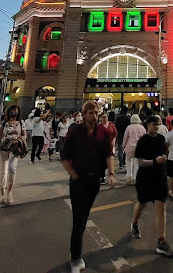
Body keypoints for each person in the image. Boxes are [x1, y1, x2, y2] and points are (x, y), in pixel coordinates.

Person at [61, 101, 115, 273]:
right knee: (79, 219)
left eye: (96, 112)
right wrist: (75, 176)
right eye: (90, 113)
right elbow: (65, 157)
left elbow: (108, 154)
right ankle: (75, 257)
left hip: (95, 181)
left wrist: (111, 174)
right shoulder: (75, 132)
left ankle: (75, 253)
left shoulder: (103, 132)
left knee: (83, 216)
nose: (94, 115)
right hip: (79, 181)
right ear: (83, 115)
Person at [131, 115, 173, 257]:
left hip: (160, 177)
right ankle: (135, 223)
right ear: (148, 125)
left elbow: (164, 155)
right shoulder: (143, 141)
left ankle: (161, 241)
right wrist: (155, 161)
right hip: (145, 178)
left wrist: (164, 163)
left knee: (161, 205)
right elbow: (140, 162)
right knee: (142, 203)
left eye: (159, 124)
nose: (157, 127)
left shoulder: (162, 139)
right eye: (155, 124)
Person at [0, 104, 26, 205]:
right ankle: (2, 193)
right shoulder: (4, 123)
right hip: (4, 149)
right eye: (12, 110)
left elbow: (24, 135)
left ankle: (10, 191)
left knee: (12, 169)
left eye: (16, 110)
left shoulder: (21, 123)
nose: (14, 112)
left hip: (15, 149)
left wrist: (18, 141)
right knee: (3, 171)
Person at [123, 114, 146, 185]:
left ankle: (129, 177)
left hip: (130, 147)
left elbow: (125, 138)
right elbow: (144, 138)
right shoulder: (142, 128)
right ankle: (136, 178)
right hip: (139, 148)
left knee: (128, 161)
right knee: (137, 163)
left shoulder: (129, 127)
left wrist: (123, 146)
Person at [99, 112, 117, 184]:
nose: (105, 119)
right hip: (102, 147)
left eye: (106, 117)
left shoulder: (111, 125)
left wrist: (114, 140)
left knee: (110, 160)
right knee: (102, 162)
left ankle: (111, 174)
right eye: (103, 117)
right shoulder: (99, 126)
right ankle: (102, 177)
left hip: (110, 145)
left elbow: (115, 133)